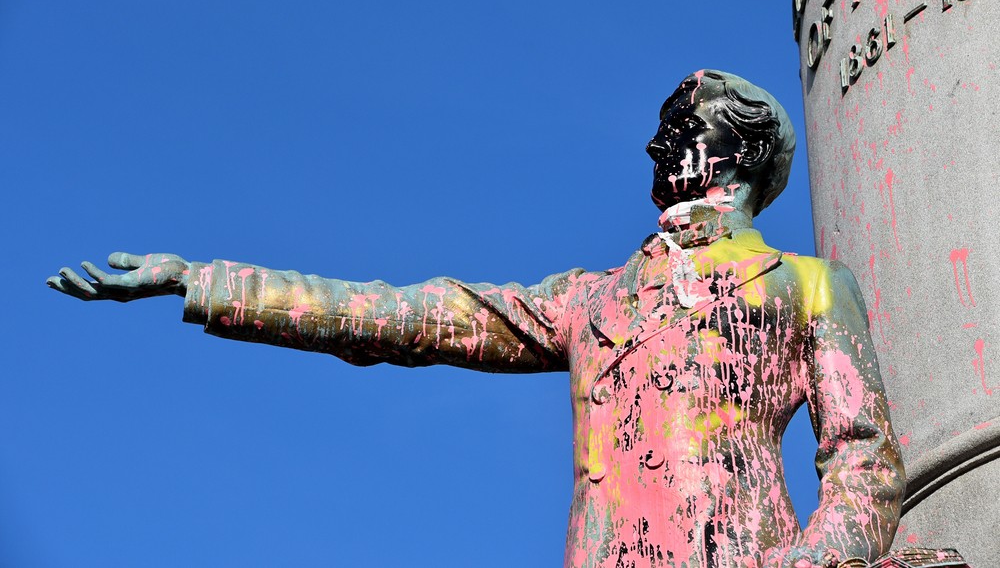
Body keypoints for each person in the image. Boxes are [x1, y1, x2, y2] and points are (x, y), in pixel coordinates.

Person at [49, 71, 904, 568]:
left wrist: (811, 563)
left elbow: (864, 458)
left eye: (679, 129)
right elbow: (413, 316)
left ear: (741, 154)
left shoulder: (811, 286)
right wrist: (208, 280)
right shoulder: (594, 299)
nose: (655, 147)